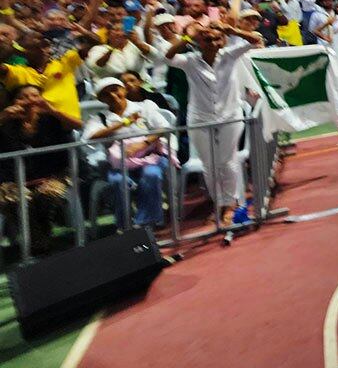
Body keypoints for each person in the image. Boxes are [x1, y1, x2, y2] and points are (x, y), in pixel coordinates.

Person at [164, 21, 263, 226]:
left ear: (223, 40)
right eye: (207, 39)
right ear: (198, 42)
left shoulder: (230, 54)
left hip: (230, 117)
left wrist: (233, 29)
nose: (212, 42)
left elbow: (256, 39)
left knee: (227, 161)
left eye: (217, 38)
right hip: (200, 118)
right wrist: (186, 37)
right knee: (209, 165)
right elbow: (168, 57)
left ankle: (230, 204)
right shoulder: (190, 61)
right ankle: (218, 203)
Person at [85, 77, 174, 229]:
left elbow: (164, 128)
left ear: (123, 90)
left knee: (151, 175)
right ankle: (125, 225)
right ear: (101, 99)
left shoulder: (145, 107)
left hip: (150, 157)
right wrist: (122, 124)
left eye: (115, 90)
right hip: (120, 164)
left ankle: (145, 223)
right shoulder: (100, 118)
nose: (113, 96)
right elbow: (88, 137)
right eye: (106, 94)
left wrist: (144, 143)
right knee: (118, 182)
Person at [0, 84, 77, 255]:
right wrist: (3, 117)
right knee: (16, 200)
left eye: (35, 96)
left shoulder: (52, 120)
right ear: (13, 102)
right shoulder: (6, 124)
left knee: (46, 196)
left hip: (55, 175)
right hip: (13, 180)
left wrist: (52, 111)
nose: (30, 101)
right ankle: (42, 242)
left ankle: (37, 243)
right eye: (23, 97)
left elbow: (77, 124)